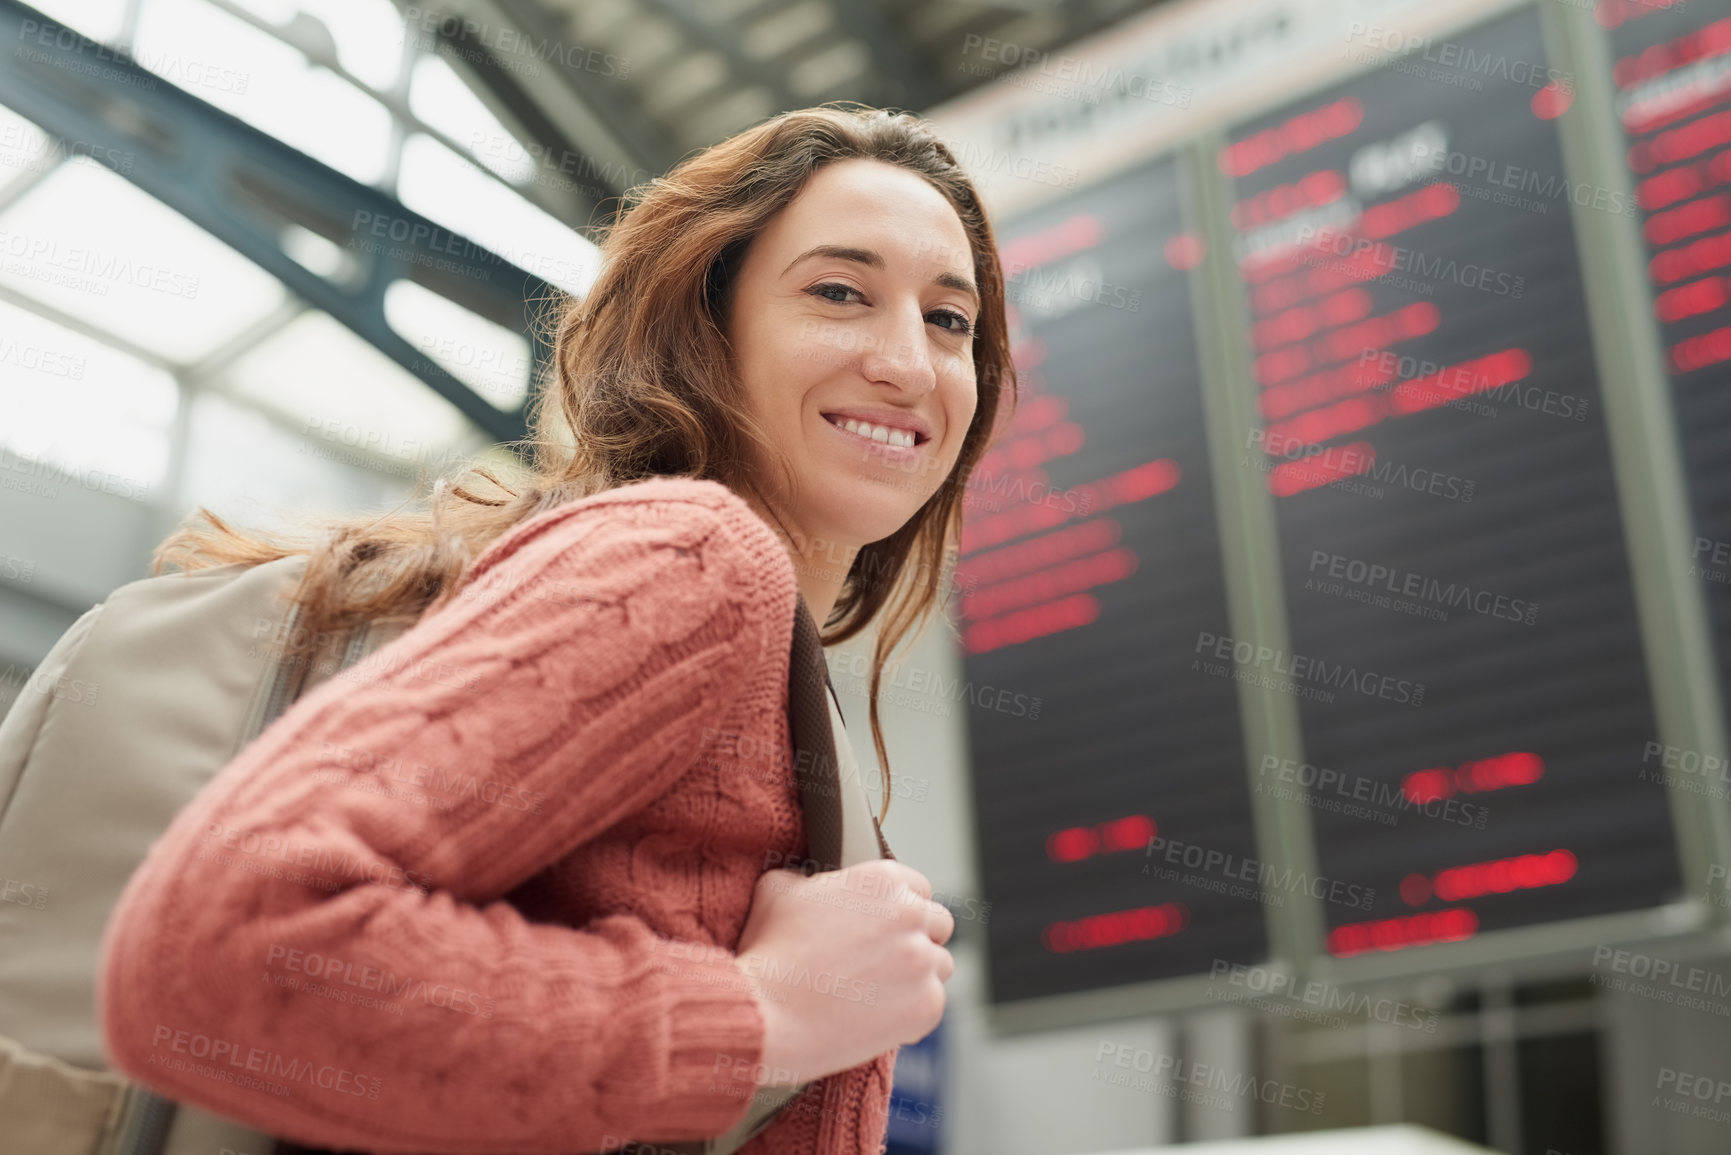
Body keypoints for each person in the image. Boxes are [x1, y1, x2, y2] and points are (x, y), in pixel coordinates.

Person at [95, 103, 1016, 1155]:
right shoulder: (693, 560)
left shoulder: (763, 664)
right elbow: (231, 945)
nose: (908, 361)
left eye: (952, 320)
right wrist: (764, 1015)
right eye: (840, 293)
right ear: (707, 330)